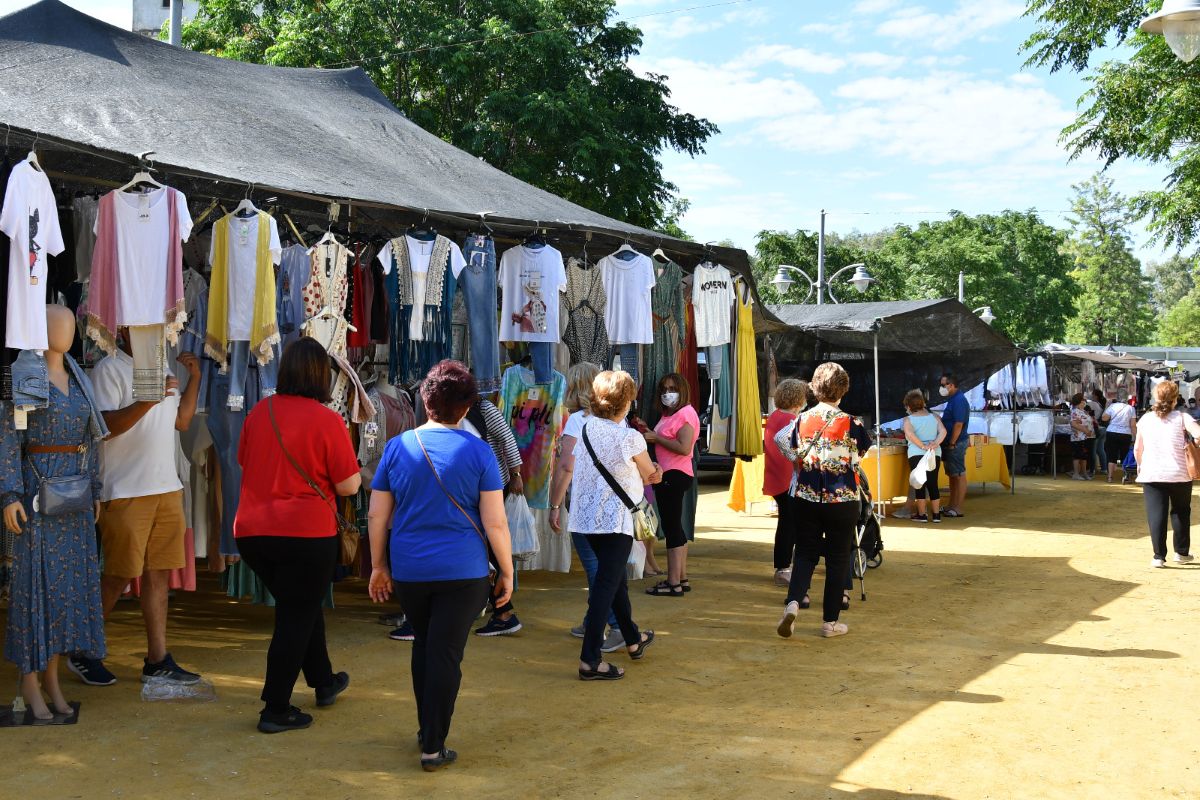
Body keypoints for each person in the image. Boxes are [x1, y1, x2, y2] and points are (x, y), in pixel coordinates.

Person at [367, 360, 514, 771]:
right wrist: (507, 570)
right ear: (466, 407)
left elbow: (377, 515)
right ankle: (433, 743)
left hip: (410, 569)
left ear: (424, 400)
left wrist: (378, 565)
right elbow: (495, 522)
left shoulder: (398, 447)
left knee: (425, 646)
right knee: (446, 654)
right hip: (463, 572)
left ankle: (425, 729)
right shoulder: (479, 451)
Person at [234, 337, 362, 733]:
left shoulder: (260, 412)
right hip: (306, 533)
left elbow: (244, 462)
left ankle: (323, 681)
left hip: (253, 532)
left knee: (299, 605)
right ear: (322, 376)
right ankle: (275, 707)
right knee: (296, 613)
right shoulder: (328, 420)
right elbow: (349, 485)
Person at [68, 328, 202, 688]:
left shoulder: (163, 367)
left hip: (166, 487)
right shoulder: (109, 369)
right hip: (126, 490)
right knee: (118, 574)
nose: (156, 332)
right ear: (125, 330)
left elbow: (182, 421)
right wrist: (147, 400)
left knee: (159, 575)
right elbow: (103, 428)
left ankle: (158, 659)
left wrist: (196, 379)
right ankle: (82, 650)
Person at [2, 305, 107, 720]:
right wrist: (9, 494)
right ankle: (29, 681)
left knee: (66, 592)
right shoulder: (25, 375)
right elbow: (9, 437)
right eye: (54, 323)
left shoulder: (79, 377)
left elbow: (91, 439)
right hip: (37, 496)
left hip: (74, 499)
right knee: (35, 589)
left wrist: (95, 488)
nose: (65, 330)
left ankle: (52, 679)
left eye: (68, 324)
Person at [556, 370, 658, 680]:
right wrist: (657, 471)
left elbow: (574, 465)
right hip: (615, 520)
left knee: (614, 582)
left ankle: (632, 638)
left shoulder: (587, 428)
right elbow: (650, 474)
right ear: (626, 402)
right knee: (606, 585)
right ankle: (590, 660)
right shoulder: (629, 437)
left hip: (585, 518)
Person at [774, 362, 871, 639]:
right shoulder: (853, 423)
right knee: (838, 558)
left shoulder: (801, 420)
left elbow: (781, 440)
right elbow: (858, 457)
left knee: (805, 553)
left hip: (805, 496)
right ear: (844, 389)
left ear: (814, 388)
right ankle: (830, 622)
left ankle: (793, 603)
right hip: (843, 499)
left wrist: (797, 460)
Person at [549, 362, 627, 655]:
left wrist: (555, 504)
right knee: (608, 566)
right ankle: (595, 619)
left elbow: (566, 466)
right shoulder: (617, 419)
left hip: (585, 503)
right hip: (614, 503)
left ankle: (615, 624)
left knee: (596, 567)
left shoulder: (577, 420)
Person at [642, 373, 699, 597]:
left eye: (672, 389)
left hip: (674, 475)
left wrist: (656, 438)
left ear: (682, 390)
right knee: (675, 526)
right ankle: (681, 578)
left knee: (672, 527)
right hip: (671, 474)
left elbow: (684, 448)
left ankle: (673, 582)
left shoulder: (685, 413)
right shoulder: (670, 414)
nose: (667, 393)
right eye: (664, 390)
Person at [1134, 380, 1200, 568]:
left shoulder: (1145, 419)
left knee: (1156, 514)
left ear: (1156, 397)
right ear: (1175, 398)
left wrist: (1140, 465)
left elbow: (1138, 447)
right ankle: (1181, 552)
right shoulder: (1183, 417)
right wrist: (1193, 445)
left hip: (1151, 472)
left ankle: (1158, 556)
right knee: (1181, 512)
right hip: (1179, 472)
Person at [763, 379, 808, 585]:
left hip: (775, 475)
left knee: (787, 522)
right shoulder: (791, 420)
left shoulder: (775, 416)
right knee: (789, 524)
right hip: (787, 478)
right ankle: (784, 568)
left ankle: (785, 566)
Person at [902, 389, 946, 523]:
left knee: (919, 483)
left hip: (916, 453)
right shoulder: (934, 417)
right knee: (933, 483)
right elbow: (943, 431)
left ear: (909, 406)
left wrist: (922, 446)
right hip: (934, 453)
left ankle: (922, 515)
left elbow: (910, 434)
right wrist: (935, 443)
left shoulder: (908, 420)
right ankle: (936, 515)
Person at [1102, 392, 1138, 484]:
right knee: (1125, 455)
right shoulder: (1131, 408)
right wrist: (1136, 436)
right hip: (1125, 434)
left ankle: (1110, 477)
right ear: (1127, 399)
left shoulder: (1112, 406)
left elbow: (1104, 418)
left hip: (1112, 432)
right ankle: (1125, 476)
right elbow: (1133, 425)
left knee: (1111, 455)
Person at [1069, 393, 1095, 481]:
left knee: (1084, 456)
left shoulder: (1083, 411)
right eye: (1083, 399)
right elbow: (1073, 423)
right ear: (1079, 401)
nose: (1085, 401)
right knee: (1077, 456)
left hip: (1086, 437)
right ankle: (1076, 474)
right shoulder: (1075, 411)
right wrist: (1085, 430)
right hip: (1078, 437)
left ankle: (1084, 473)